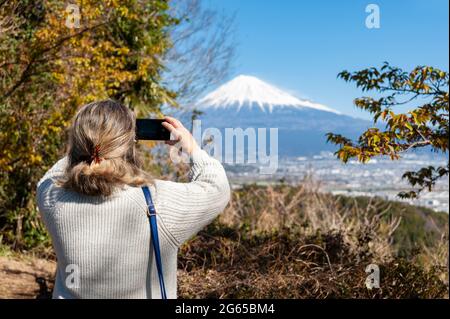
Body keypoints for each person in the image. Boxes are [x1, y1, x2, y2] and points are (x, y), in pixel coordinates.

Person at [36, 99, 230, 299]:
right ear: (129, 143)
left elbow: (49, 177)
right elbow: (217, 188)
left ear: (77, 141)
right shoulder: (158, 202)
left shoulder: (53, 199)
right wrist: (191, 149)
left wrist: (85, 149)